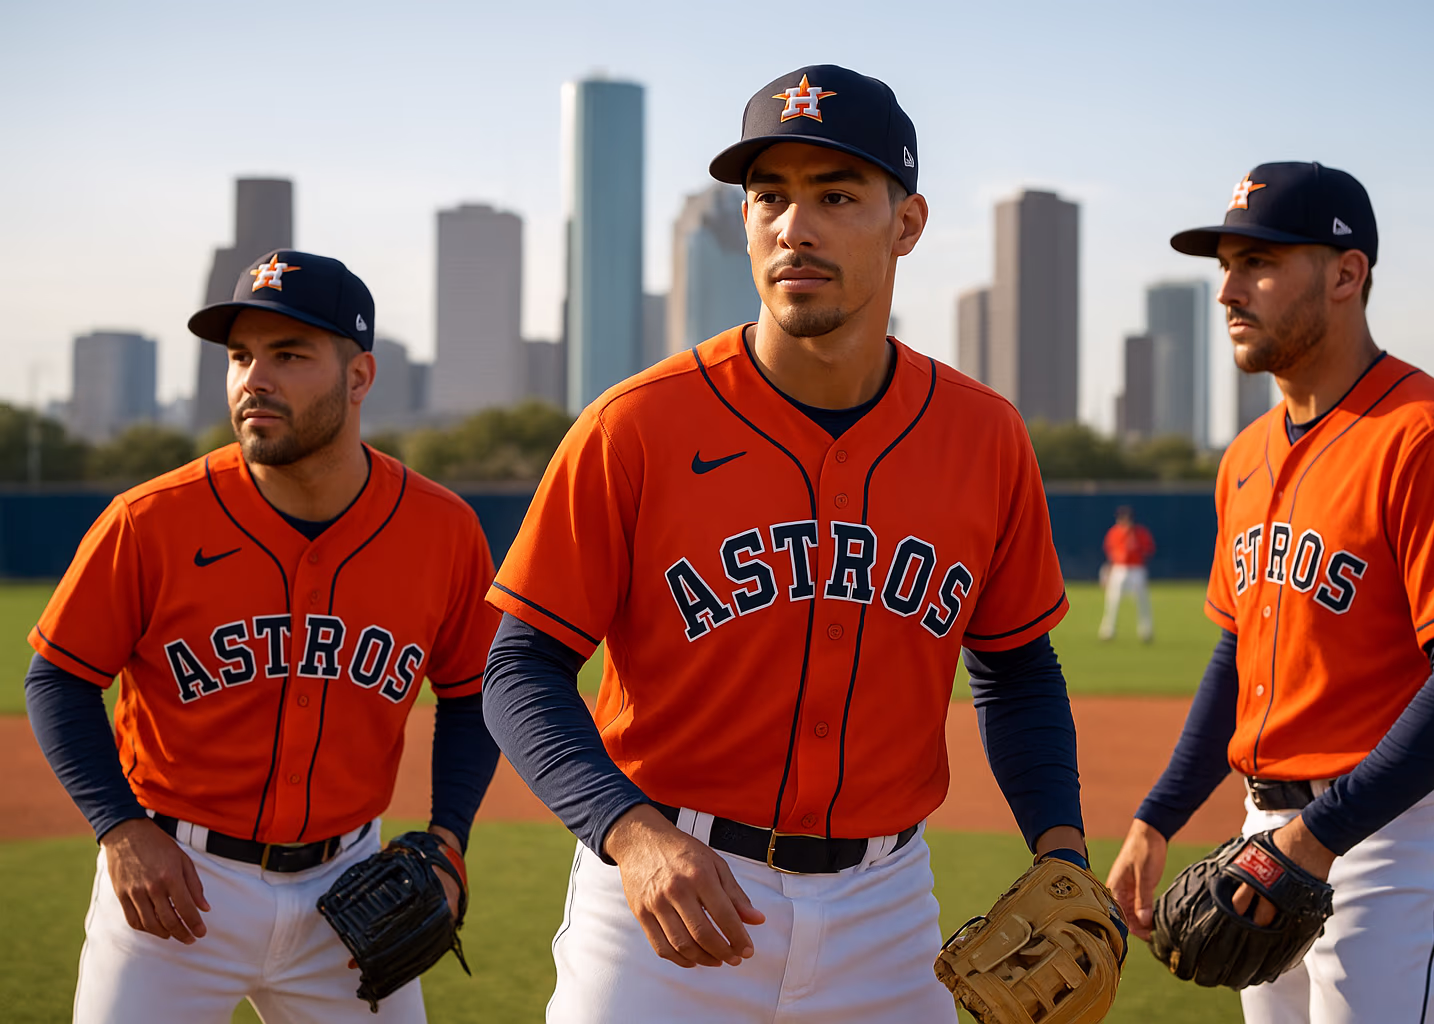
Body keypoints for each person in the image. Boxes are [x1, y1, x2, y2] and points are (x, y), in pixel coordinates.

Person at [481, 65, 1094, 1022]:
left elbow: (1016, 668)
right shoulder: (635, 426)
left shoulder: (984, 437)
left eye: (836, 196)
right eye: (770, 196)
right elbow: (519, 667)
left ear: (907, 224)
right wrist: (630, 835)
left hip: (886, 912)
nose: (794, 227)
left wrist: (1063, 851)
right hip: (664, 899)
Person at [24, 250, 503, 1022]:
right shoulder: (149, 521)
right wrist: (121, 830)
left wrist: (449, 839)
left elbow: (475, 690)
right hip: (174, 885)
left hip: (352, 893)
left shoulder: (441, 529)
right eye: (240, 355)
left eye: (289, 354)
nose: (254, 378)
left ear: (359, 377)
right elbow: (58, 677)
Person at [1105, 163, 1434, 1022]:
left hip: (1397, 835)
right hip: (1269, 833)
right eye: (1226, 265)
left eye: (1260, 263)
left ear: (1347, 273)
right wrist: (1157, 817)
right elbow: (1237, 658)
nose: (1229, 290)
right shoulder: (1246, 455)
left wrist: (1317, 835)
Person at [1098, 505, 1156, 642]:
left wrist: (1136, 548)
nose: (1124, 520)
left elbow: (1149, 549)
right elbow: (1110, 552)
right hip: (1119, 569)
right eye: (1121, 518)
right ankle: (1108, 630)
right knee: (1113, 600)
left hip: (1137, 569)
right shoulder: (1114, 532)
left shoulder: (1140, 532)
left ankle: (1146, 631)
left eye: (1126, 518)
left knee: (1142, 601)